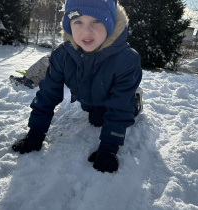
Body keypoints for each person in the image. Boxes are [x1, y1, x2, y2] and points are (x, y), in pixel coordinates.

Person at [12, 0, 143, 173]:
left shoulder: (127, 60)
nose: (86, 31)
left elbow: (119, 108)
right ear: (69, 25)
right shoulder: (62, 56)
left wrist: (109, 148)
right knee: (95, 116)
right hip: (88, 97)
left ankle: (136, 99)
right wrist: (36, 132)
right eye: (78, 22)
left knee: (110, 116)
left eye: (96, 21)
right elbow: (47, 95)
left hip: (116, 98)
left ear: (109, 24)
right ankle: (96, 107)